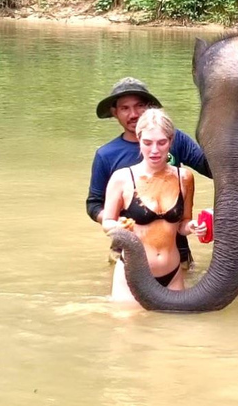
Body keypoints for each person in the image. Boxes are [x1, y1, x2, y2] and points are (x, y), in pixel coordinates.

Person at [87, 77, 211, 267]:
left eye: (139, 106)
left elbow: (211, 168)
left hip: (176, 253)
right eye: (125, 108)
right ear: (114, 112)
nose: (133, 114)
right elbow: (94, 204)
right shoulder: (106, 155)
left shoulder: (177, 141)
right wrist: (118, 222)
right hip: (128, 252)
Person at [103, 109, 207, 302]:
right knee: (128, 328)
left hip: (173, 273)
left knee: (175, 329)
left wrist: (192, 227)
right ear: (139, 139)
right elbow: (107, 222)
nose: (154, 150)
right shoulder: (122, 178)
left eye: (161, 142)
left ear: (171, 141)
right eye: (148, 143)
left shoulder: (184, 178)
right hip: (133, 274)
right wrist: (118, 226)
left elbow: (183, 224)